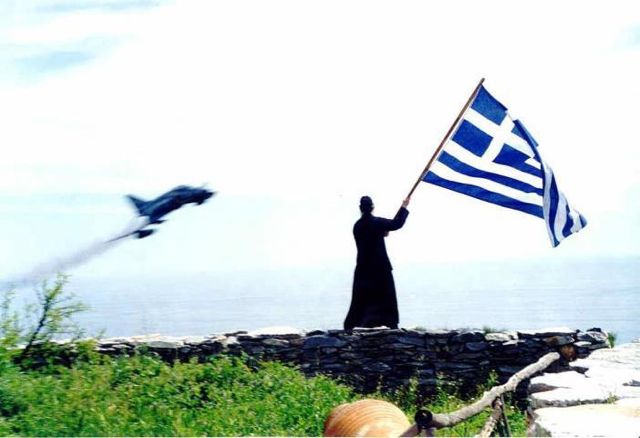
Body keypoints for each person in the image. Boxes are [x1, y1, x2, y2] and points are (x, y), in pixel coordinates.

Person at [344, 195, 410, 330]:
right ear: (372, 207)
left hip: (363, 267)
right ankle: (390, 324)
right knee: (385, 296)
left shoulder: (357, 226)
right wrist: (404, 207)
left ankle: (355, 324)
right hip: (380, 267)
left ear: (360, 208)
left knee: (362, 298)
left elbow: (371, 235)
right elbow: (396, 223)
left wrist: (383, 232)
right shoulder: (377, 222)